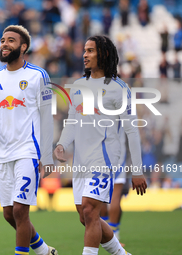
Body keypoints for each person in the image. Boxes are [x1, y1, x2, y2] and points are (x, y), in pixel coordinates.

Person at [54, 35, 147, 255]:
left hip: (104, 159)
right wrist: (62, 144)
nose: (84, 55)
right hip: (81, 161)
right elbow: (72, 122)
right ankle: (121, 253)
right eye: (84, 50)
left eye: (90, 51)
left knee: (89, 209)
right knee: (85, 216)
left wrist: (137, 170)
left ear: (104, 54)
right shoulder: (77, 86)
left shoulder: (119, 88)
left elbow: (131, 130)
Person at [0, 25, 57, 255]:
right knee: (8, 213)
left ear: (23, 47)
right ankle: (43, 250)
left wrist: (46, 155)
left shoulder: (38, 75)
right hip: (3, 153)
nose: (4, 44)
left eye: (11, 40)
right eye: (3, 40)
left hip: (28, 151)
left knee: (20, 212)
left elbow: (46, 117)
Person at [100, 126, 128, 246]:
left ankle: (103, 232)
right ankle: (114, 235)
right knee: (115, 195)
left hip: (98, 153)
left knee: (99, 194)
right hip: (117, 153)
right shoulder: (122, 107)